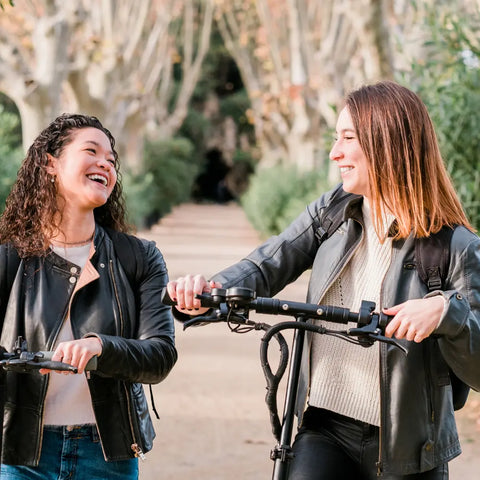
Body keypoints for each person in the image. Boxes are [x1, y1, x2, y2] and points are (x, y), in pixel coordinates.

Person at [167, 81, 480, 479]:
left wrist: (444, 312)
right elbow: (269, 262)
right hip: (326, 427)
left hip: (414, 448)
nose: (336, 153)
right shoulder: (332, 212)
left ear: (388, 142)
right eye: (336, 138)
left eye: (348, 138)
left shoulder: (455, 246)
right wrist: (213, 290)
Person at [0, 113, 177, 479]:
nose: (105, 164)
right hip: (20, 455)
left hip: (108, 454)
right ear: (50, 164)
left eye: (111, 160)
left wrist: (102, 347)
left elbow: (160, 354)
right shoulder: (8, 256)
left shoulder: (138, 258)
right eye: (91, 151)